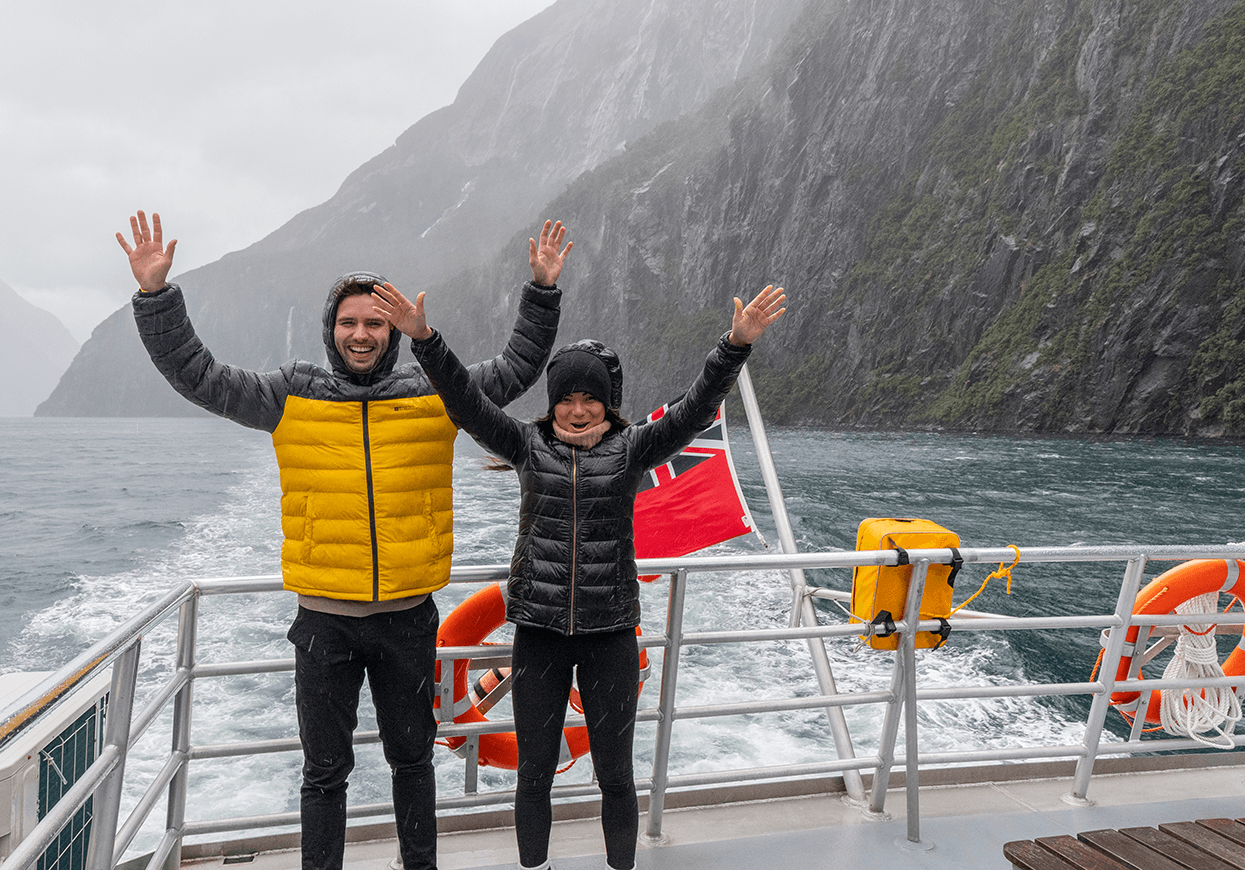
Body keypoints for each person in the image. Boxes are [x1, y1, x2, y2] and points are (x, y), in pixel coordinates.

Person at [115, 211, 573, 870]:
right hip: (324, 625)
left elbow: (518, 367)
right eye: (349, 322)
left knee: (414, 763)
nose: (361, 334)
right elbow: (199, 376)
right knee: (324, 774)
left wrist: (542, 291)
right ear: (332, 329)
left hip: (408, 622)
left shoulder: (435, 392)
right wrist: (157, 298)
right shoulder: (289, 394)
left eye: (375, 323)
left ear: (394, 331)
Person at [371, 279, 787, 870]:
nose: (577, 407)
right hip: (538, 636)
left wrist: (735, 345)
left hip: (610, 635)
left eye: (590, 397)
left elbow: (696, 408)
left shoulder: (634, 449)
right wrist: (425, 340)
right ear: (553, 400)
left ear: (608, 401)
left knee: (616, 776)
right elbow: (463, 401)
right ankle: (534, 866)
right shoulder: (524, 445)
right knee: (534, 776)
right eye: (566, 396)